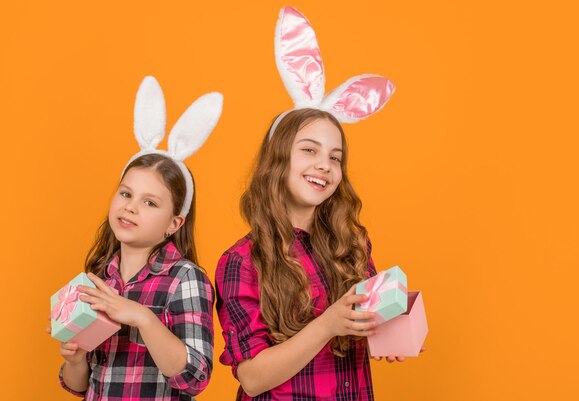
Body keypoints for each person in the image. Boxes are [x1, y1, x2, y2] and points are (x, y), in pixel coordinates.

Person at [215, 7, 400, 400]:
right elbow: (252, 377)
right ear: (276, 160)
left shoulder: (351, 245)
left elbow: (356, 328)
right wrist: (328, 323)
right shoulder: (241, 261)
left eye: (335, 157)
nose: (324, 165)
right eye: (309, 150)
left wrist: (388, 331)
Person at [51, 76, 222, 401]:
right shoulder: (100, 278)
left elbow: (195, 377)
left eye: (150, 202)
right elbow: (80, 385)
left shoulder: (184, 279)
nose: (130, 207)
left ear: (174, 223)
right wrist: (74, 359)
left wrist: (142, 317)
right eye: (126, 193)